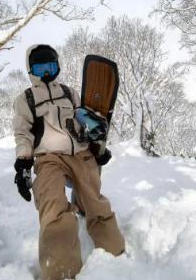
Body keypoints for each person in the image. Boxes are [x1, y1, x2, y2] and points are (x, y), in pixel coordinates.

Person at [12, 44, 125, 280]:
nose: (46, 73)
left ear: (57, 67)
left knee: (96, 203)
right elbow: (22, 133)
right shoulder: (26, 99)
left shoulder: (68, 92)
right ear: (31, 69)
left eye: (50, 66)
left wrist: (98, 147)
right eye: (40, 68)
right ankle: (61, 272)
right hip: (49, 158)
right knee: (52, 204)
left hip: (80, 154)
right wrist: (23, 163)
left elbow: (82, 122)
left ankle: (117, 261)